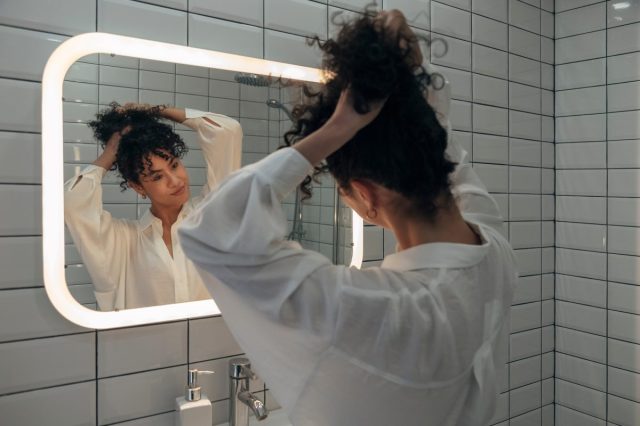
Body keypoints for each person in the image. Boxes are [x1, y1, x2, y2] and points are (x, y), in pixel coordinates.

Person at [179, 9, 517, 426]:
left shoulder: (370, 313)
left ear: (366, 193)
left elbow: (209, 232)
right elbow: (440, 139)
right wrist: (409, 75)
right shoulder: (494, 250)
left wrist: (337, 129)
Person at [64, 103, 242, 311]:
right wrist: (112, 151)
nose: (175, 181)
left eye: (174, 165)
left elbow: (226, 130)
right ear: (138, 187)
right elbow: (72, 203)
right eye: (157, 176)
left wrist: (153, 111)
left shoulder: (212, 215)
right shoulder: (122, 242)